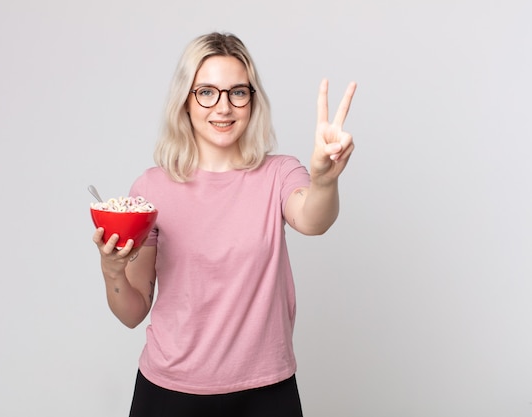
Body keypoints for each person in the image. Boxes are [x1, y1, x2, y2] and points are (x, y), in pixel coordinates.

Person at [92, 32, 357, 417]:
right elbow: (133, 312)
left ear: (252, 99)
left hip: (266, 391)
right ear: (186, 99)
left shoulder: (279, 173)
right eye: (207, 92)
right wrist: (111, 268)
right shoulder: (151, 188)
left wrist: (325, 179)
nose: (224, 107)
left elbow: (314, 220)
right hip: (169, 394)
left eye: (237, 92)